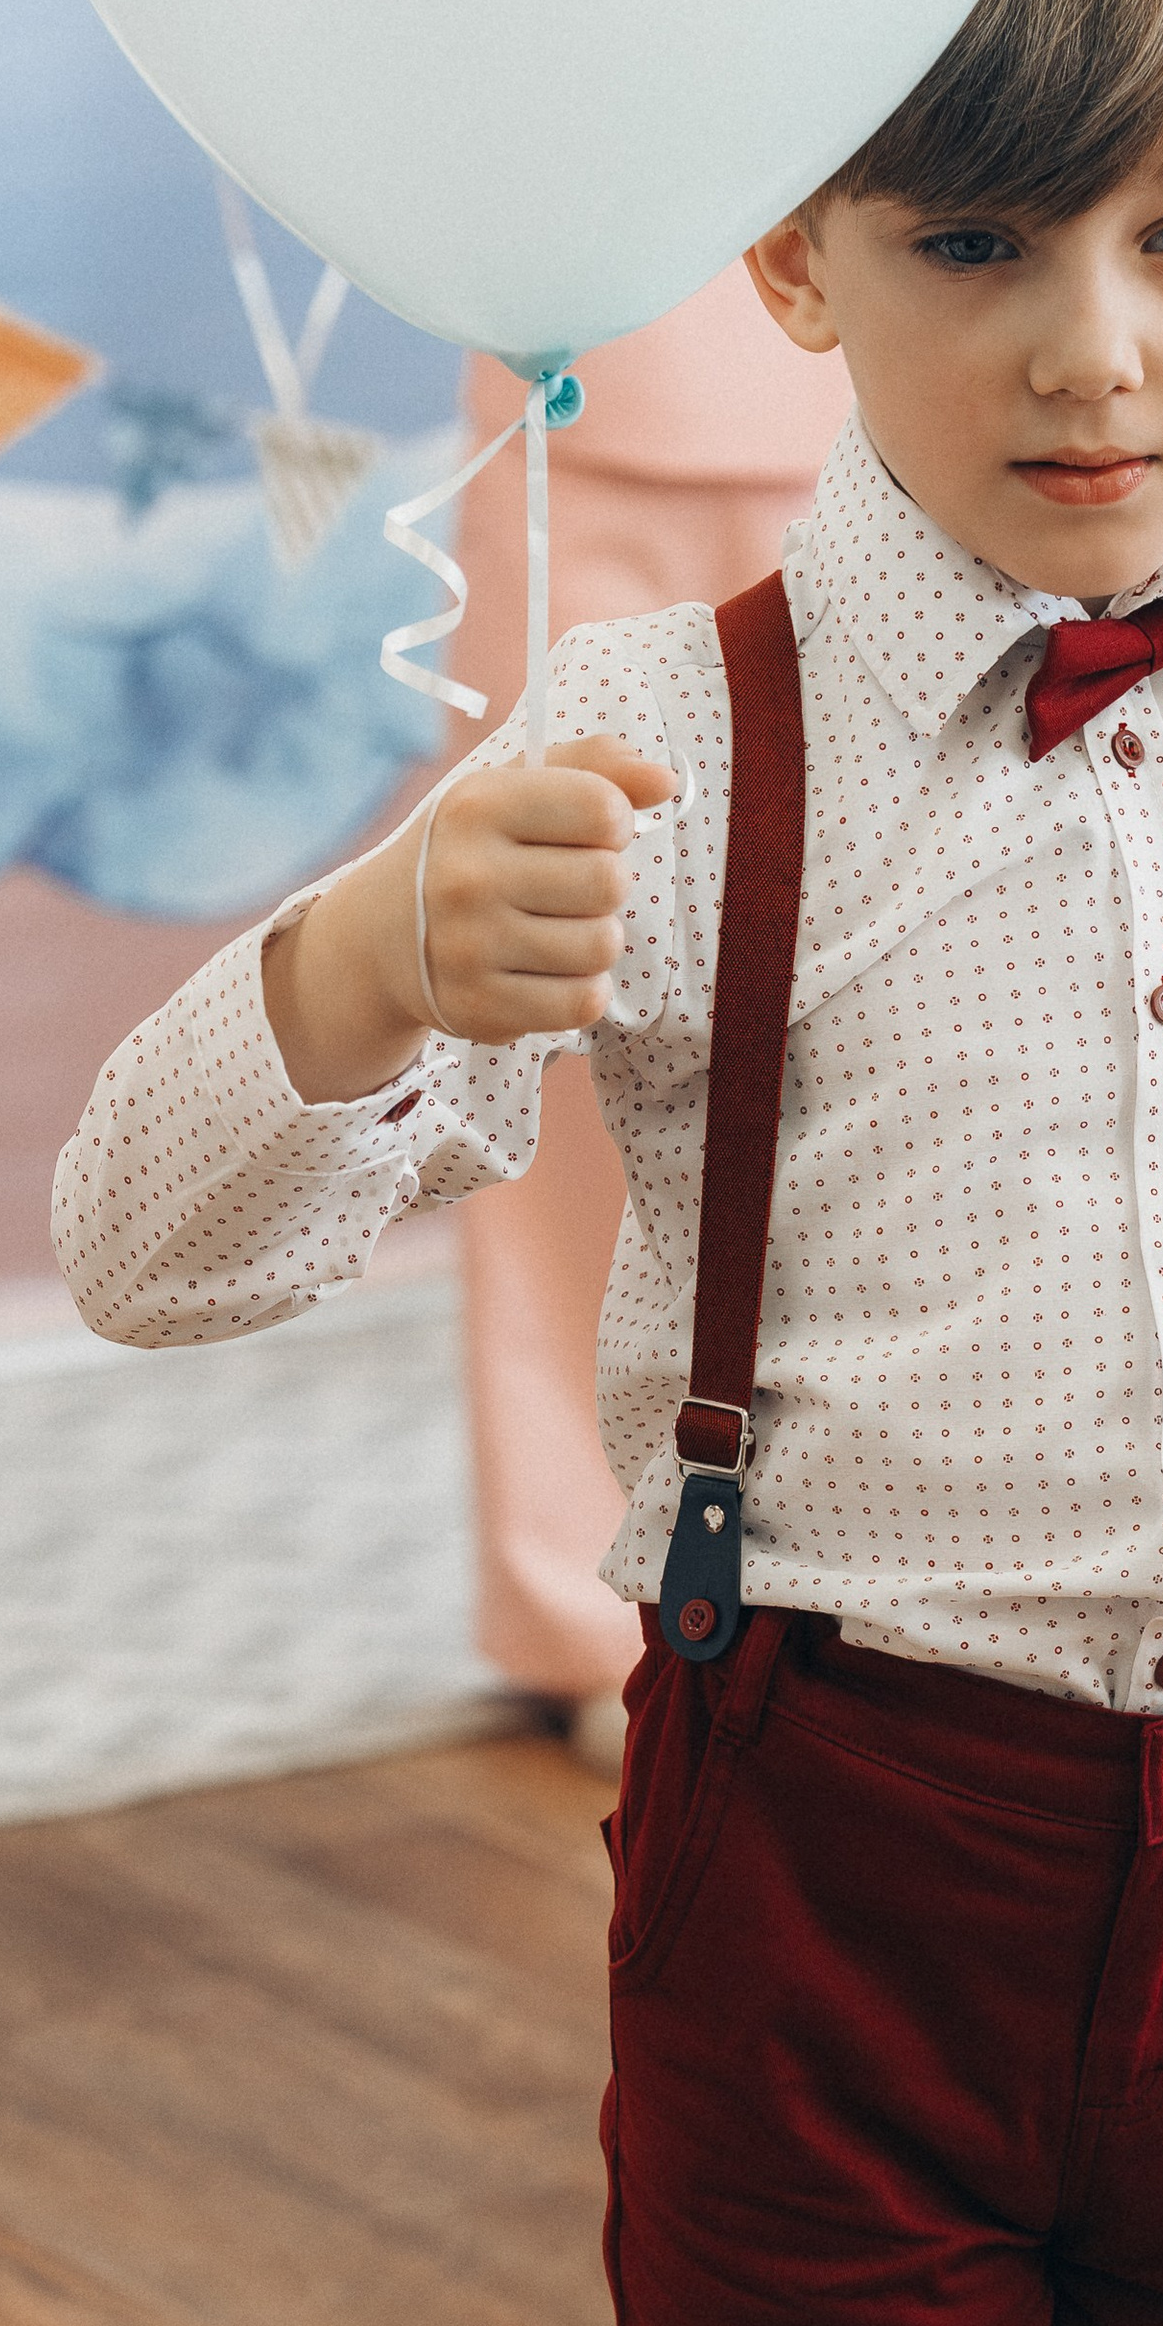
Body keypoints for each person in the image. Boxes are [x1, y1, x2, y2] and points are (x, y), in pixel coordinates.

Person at [54, 0, 1163, 2326]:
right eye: (973, 243)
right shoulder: (664, 735)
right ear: (790, 258)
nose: (1087, 346)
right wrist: (364, 964)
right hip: (851, 1866)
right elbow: (137, 1246)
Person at [448, 285, 847, 1762]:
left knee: (878, 1032)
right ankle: (594, 1594)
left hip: (903, 382)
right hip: (577, 404)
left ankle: (849, 1574)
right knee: (558, 1005)